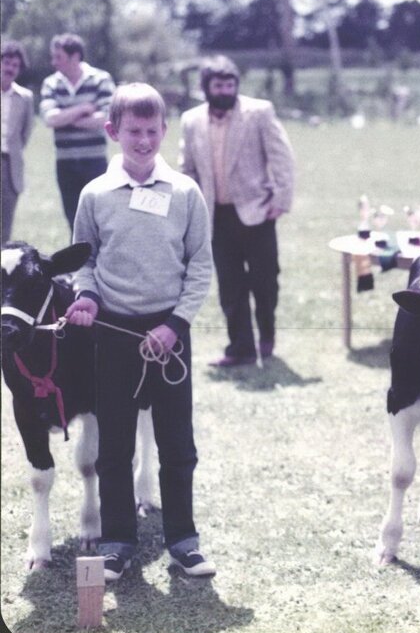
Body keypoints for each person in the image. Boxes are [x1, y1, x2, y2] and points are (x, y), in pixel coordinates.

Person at [64, 83, 216, 582]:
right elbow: (82, 263)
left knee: (177, 445)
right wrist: (86, 297)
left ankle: (182, 541)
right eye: (134, 131)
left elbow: (199, 267)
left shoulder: (186, 193)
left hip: (170, 336)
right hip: (113, 334)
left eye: (153, 131)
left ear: (165, 132)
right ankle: (117, 542)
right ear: (112, 132)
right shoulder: (95, 195)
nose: (144, 140)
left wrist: (175, 325)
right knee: (114, 445)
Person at [179, 56, 295, 367]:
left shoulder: (259, 112)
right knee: (230, 286)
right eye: (219, 85)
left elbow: (281, 157)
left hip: (257, 212)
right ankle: (240, 349)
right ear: (206, 88)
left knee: (265, 281)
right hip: (215, 217)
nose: (225, 90)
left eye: (230, 85)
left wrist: (281, 200)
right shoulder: (191, 121)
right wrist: (190, 208)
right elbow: (186, 169)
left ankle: (266, 335)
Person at [38, 33, 116, 231]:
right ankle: (79, 262)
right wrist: (83, 109)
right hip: (65, 164)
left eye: (58, 57)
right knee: (73, 220)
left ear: (75, 57)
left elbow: (108, 118)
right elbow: (50, 119)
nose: (53, 62)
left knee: (100, 217)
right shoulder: (51, 83)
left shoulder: (101, 79)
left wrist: (66, 119)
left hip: (95, 161)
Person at [1, 40, 35, 243]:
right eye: (7, 62)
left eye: (16, 66)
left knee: (4, 224)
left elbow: (25, 133)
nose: (10, 69)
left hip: (9, 166)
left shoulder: (25, 97)